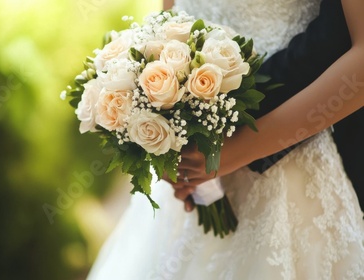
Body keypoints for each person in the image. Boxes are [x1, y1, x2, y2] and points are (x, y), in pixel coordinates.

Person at [86, 0, 364, 278]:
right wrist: (165, 138)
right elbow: (168, 19)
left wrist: (232, 152)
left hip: (291, 172)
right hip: (191, 182)